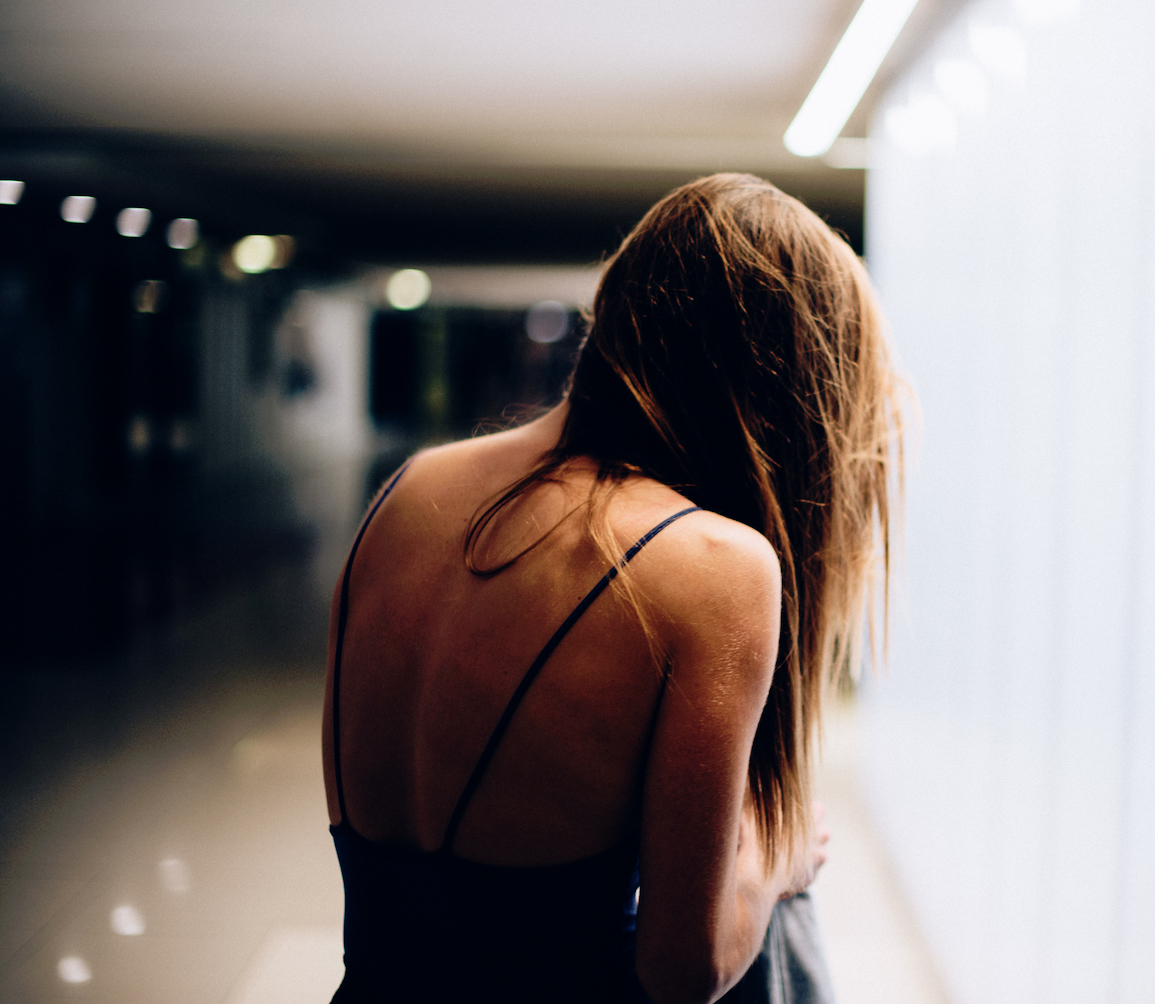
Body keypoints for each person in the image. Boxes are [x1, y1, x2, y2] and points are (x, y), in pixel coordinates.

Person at [322, 173, 903, 1003]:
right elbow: (682, 968)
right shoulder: (711, 565)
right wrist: (779, 855)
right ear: (781, 387)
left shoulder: (410, 489)